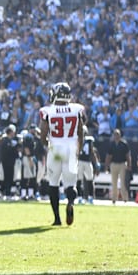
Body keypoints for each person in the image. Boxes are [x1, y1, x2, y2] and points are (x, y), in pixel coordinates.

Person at [39, 82, 84, 226]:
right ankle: (70, 202)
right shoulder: (77, 109)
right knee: (71, 184)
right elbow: (81, 132)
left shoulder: (47, 111)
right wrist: (79, 148)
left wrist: (49, 145)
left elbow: (43, 134)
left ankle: (57, 219)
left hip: (56, 149)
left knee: (53, 183)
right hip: (71, 148)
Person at [104, 129, 132, 204]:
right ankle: (114, 199)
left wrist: (129, 165)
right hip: (113, 164)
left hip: (122, 164)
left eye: (117, 134)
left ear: (120, 135)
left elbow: (128, 155)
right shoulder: (112, 144)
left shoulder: (124, 144)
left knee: (123, 182)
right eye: (115, 134)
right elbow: (108, 156)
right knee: (114, 182)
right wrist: (106, 166)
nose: (116, 136)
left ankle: (125, 198)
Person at [76, 126, 99, 205]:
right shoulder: (77, 139)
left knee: (90, 180)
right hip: (80, 161)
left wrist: (96, 162)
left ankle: (90, 197)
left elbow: (92, 152)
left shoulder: (89, 140)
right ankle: (79, 197)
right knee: (79, 180)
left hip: (87, 161)